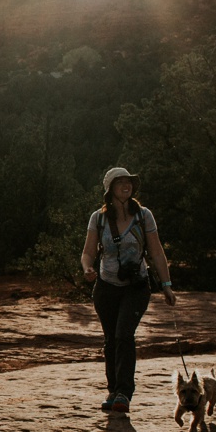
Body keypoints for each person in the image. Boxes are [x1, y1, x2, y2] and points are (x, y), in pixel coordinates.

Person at [80, 166, 175, 413]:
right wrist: (87, 268)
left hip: (136, 286)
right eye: (120, 182)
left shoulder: (144, 216)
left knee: (124, 334)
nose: (126, 186)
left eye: (129, 182)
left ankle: (124, 392)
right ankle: (113, 391)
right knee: (111, 340)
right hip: (105, 287)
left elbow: (156, 252)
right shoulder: (98, 218)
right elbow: (88, 252)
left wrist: (166, 285)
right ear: (109, 189)